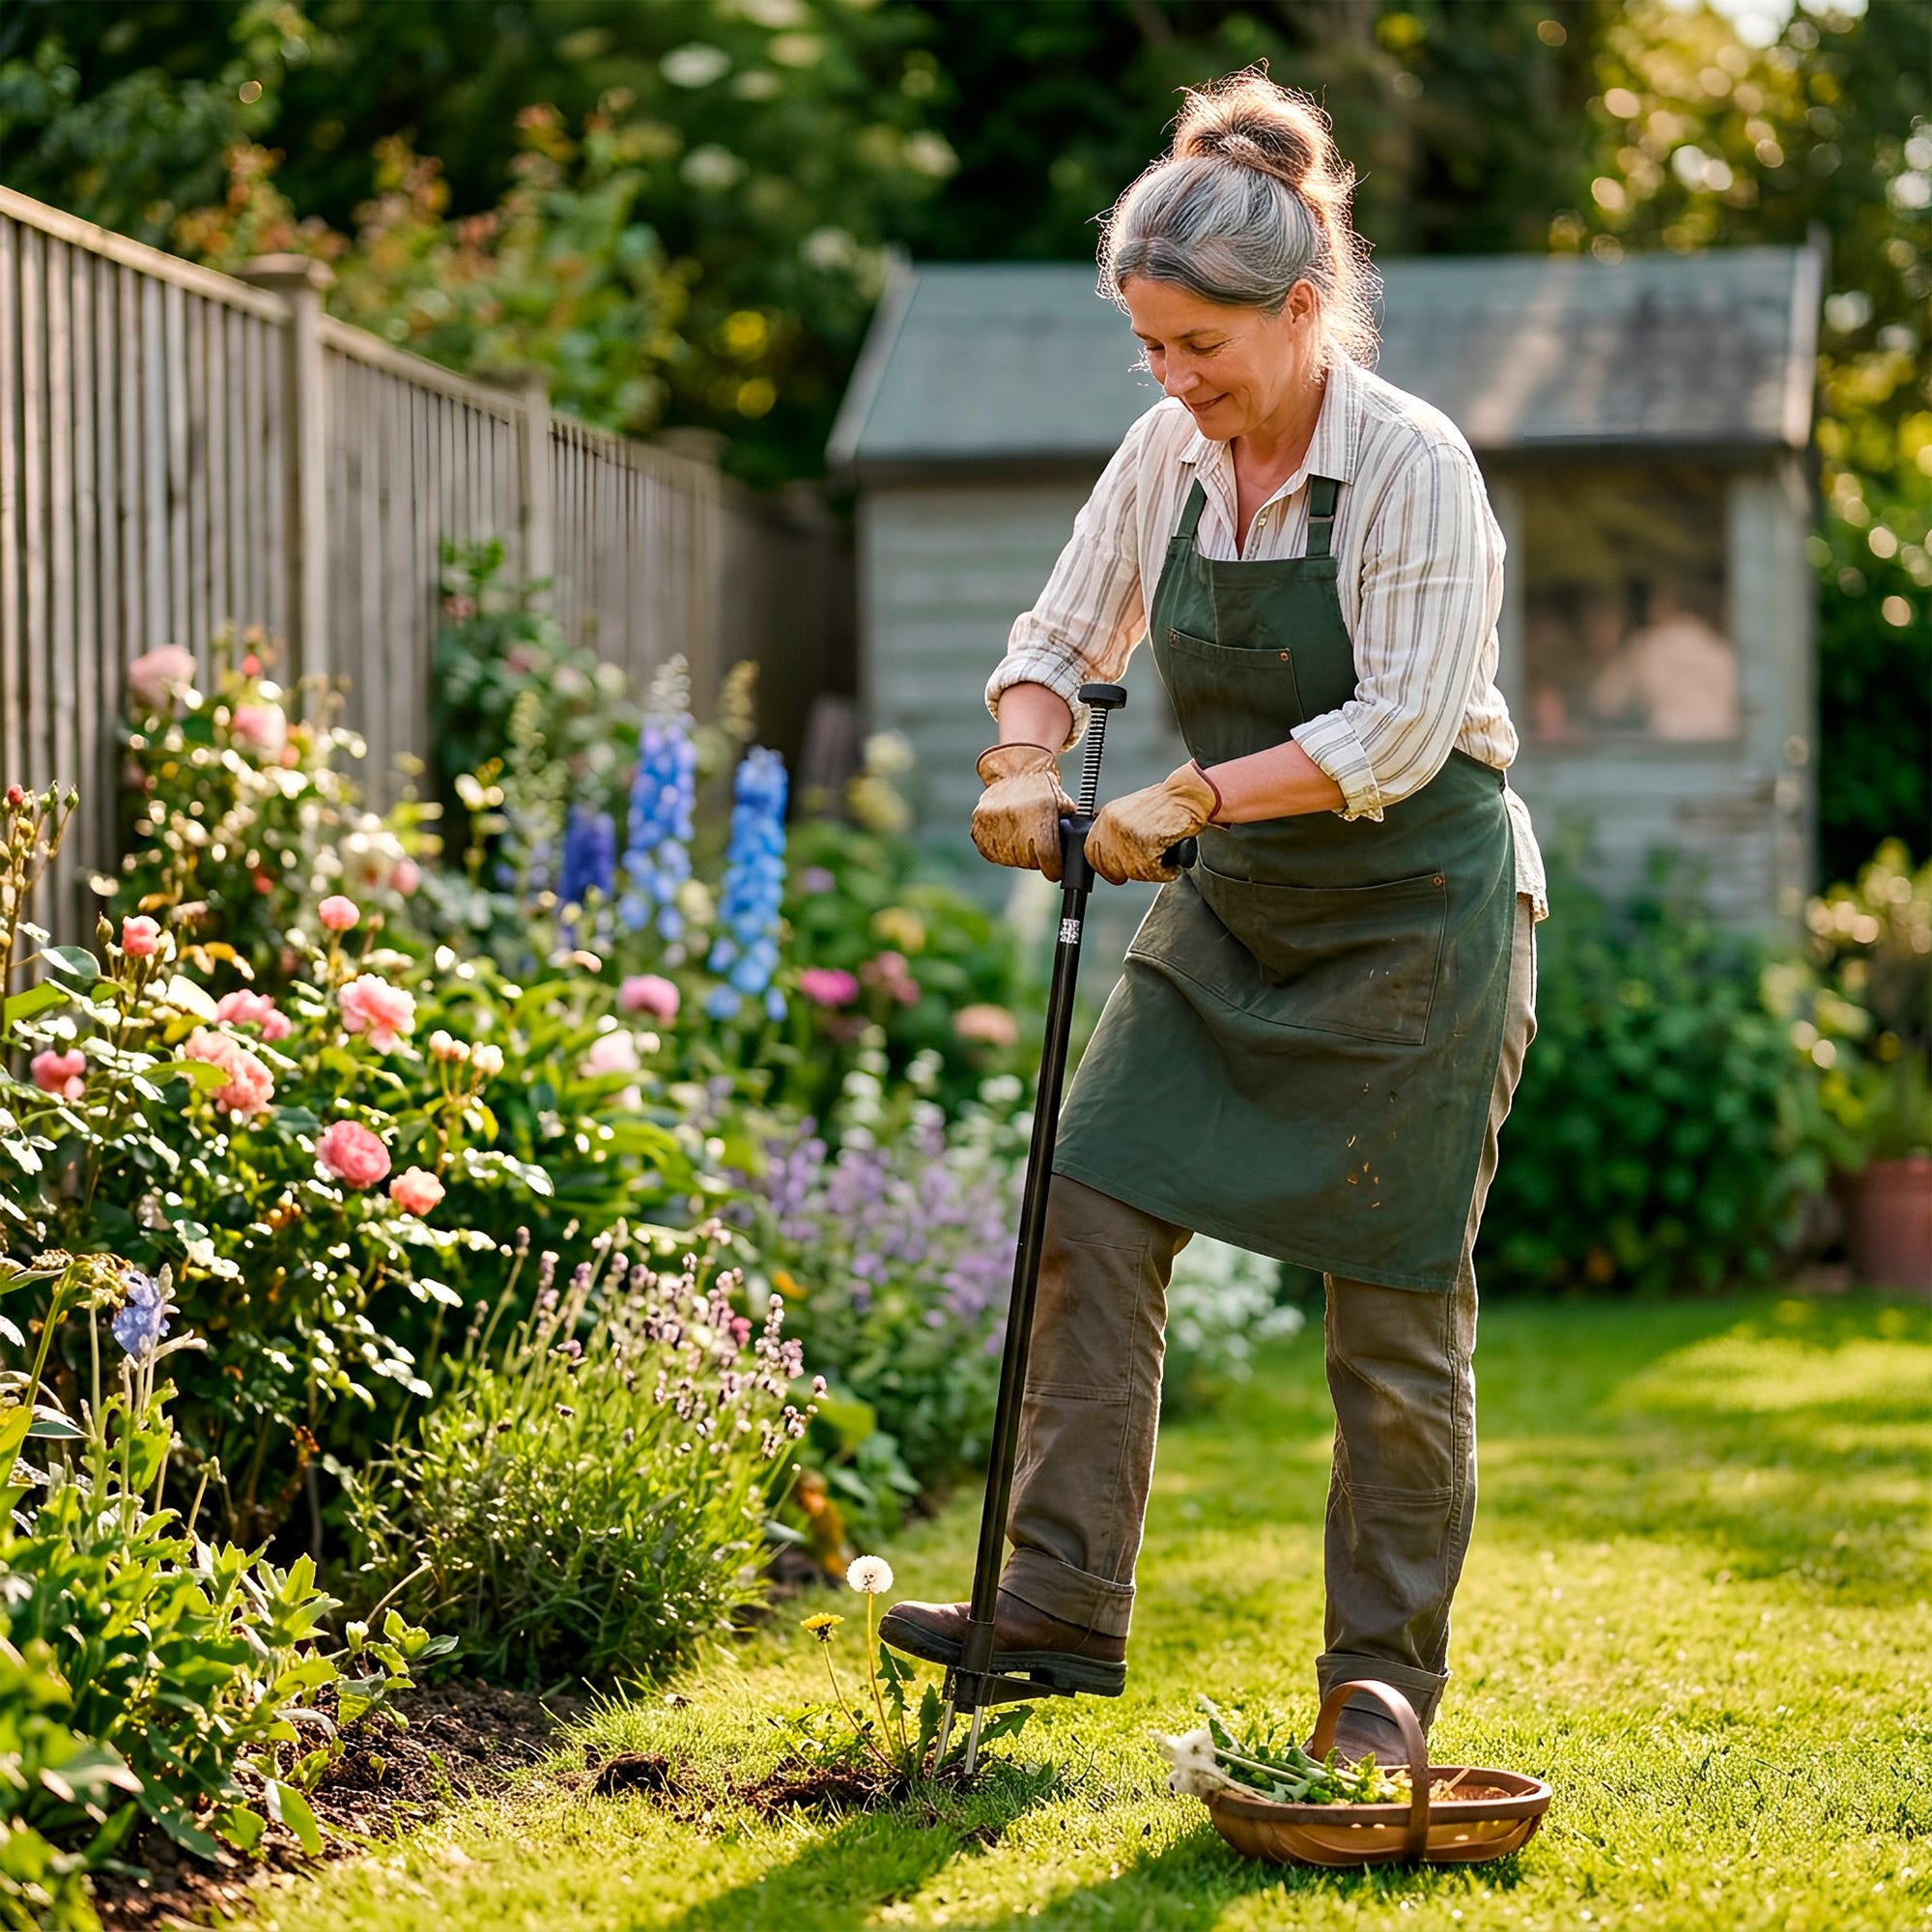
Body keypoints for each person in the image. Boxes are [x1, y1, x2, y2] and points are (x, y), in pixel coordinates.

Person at [880, 70, 1548, 1764]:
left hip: (1420, 911)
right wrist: (1025, 760)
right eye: (1151, 351)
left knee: (1393, 1310)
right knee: (1089, 1197)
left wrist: (1186, 795)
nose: (1176, 384)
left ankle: (1380, 1687)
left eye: (1203, 351)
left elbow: (1402, 723)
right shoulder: (1169, 450)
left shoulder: (1411, 465)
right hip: (1243, 904)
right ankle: (1053, 1604)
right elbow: (1062, 627)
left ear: (1304, 310)